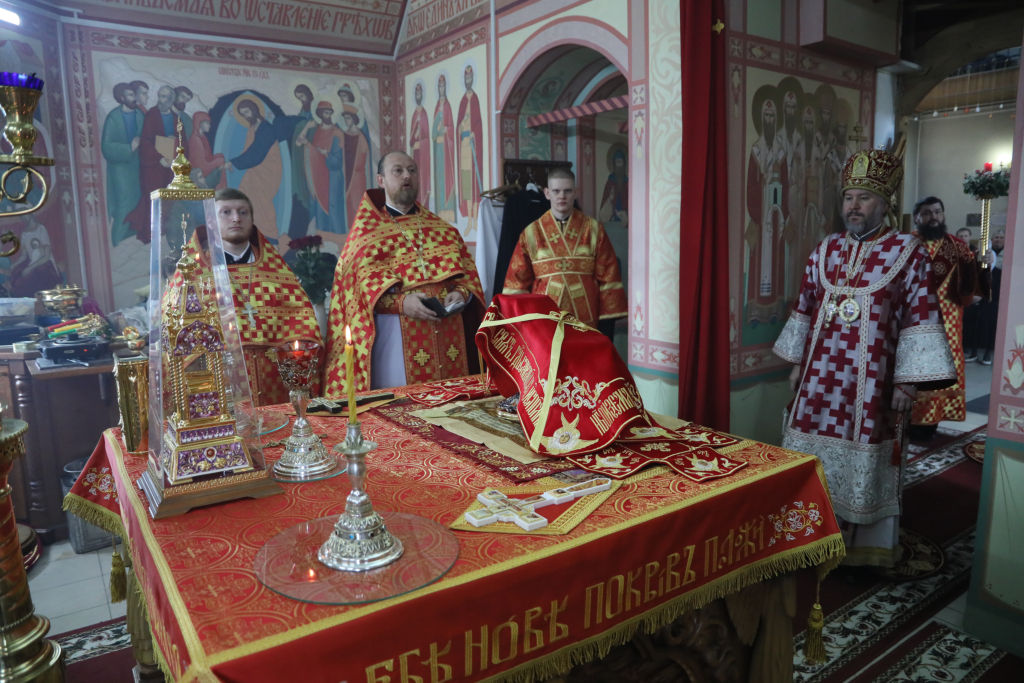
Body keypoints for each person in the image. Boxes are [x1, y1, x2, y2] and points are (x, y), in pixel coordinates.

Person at [773, 150, 956, 569]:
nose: (853, 205)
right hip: (818, 380)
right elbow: (806, 305)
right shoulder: (826, 248)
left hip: (873, 381)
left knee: (867, 458)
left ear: (884, 203)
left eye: (864, 197)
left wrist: (907, 382)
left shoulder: (907, 250)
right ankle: (807, 538)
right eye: (849, 197)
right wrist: (798, 362)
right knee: (808, 455)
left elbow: (920, 315)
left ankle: (861, 555)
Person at [323, 151, 484, 394]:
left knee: (454, 405)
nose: (406, 175)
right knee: (403, 408)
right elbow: (356, 295)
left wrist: (462, 294)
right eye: (398, 170)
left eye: (411, 170)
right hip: (396, 341)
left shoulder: (443, 230)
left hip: (450, 340)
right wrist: (400, 303)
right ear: (381, 180)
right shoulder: (366, 237)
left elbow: (468, 275)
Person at [169, 188, 322, 406]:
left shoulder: (276, 271)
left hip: (277, 383)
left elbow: (302, 322)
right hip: (220, 383)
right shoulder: (193, 274)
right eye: (226, 212)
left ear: (251, 219)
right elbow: (175, 333)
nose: (236, 218)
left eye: (243, 212)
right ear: (210, 221)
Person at [502, 168, 627, 332]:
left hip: (587, 320)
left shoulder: (593, 230)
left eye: (567, 191)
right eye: (556, 191)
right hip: (544, 319)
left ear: (575, 193)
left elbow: (609, 275)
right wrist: (522, 323)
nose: (562, 196)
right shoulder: (532, 233)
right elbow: (517, 279)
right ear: (547, 193)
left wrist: (607, 323)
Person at [909, 197, 992, 440]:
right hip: (912, 320)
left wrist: (984, 266)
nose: (933, 217)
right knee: (912, 369)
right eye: (927, 213)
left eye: (937, 212)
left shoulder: (958, 246)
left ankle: (929, 423)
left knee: (940, 372)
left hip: (947, 322)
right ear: (917, 217)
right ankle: (905, 420)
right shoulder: (905, 244)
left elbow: (973, 283)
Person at [125, 85, 179, 243]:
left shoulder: (176, 118)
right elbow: (146, 141)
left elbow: (183, 143)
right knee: (153, 199)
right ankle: (149, 235)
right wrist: (158, 158)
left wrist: (176, 149)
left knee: (170, 200)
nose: (160, 100)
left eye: (164, 97)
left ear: (171, 100)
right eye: (159, 96)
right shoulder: (151, 115)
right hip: (153, 167)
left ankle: (167, 232)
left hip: (171, 167)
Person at [101, 82, 144, 246]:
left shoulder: (140, 115)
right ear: (121, 98)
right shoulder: (114, 117)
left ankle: (130, 239)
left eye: (134, 94)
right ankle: (117, 242)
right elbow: (107, 147)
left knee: (139, 202)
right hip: (121, 168)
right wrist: (128, 148)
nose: (134, 98)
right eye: (130, 95)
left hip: (138, 166)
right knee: (125, 203)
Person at [977, 228, 1005, 366]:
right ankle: (976, 351)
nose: (998, 239)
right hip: (984, 293)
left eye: (1001, 237)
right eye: (996, 237)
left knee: (993, 324)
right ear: (992, 239)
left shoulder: (1008, 253)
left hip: (999, 294)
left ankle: (989, 353)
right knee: (981, 322)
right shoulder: (986, 252)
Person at [956, 227, 981, 362]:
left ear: (970, 237)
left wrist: (977, 294)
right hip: (957, 294)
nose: (963, 238)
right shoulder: (953, 251)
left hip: (972, 293)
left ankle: (972, 350)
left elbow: (980, 275)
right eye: (961, 236)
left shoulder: (977, 253)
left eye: (966, 235)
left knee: (972, 325)